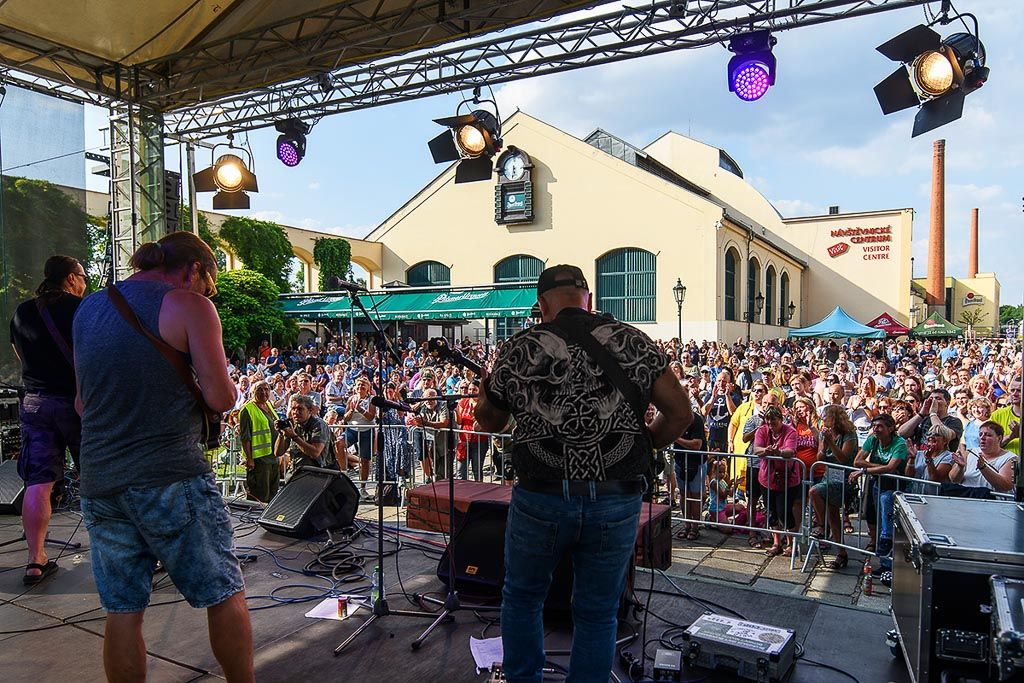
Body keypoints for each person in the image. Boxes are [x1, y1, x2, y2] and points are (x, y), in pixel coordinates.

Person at [475, 264, 691, 683]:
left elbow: (490, 421)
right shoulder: (633, 341)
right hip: (616, 496)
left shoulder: (521, 347)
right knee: (596, 613)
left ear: (542, 305)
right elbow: (681, 414)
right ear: (587, 299)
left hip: (541, 495)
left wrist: (487, 393)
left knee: (522, 599)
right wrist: (643, 443)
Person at [72, 232, 253, 682]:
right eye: (207, 285)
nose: (205, 293)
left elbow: (80, 403)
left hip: (100, 481)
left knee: (122, 609)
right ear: (194, 270)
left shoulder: (89, 308)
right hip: (171, 476)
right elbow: (220, 397)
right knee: (223, 591)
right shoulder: (188, 306)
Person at [9, 255, 87, 584]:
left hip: (36, 404)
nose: (84, 283)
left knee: (38, 483)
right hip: (77, 403)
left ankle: (35, 559)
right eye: (82, 276)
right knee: (97, 478)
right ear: (70, 278)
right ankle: (117, 553)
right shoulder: (82, 309)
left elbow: (19, 355)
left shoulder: (23, 312)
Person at [850, 413, 909, 582]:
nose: (876, 429)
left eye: (880, 426)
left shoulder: (900, 443)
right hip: (878, 484)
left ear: (890, 428)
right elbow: (857, 461)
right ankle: (885, 562)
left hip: (896, 488)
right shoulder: (873, 440)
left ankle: (888, 559)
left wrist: (866, 470)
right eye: (874, 426)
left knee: (888, 523)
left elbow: (892, 467)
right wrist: (880, 468)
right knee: (878, 517)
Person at [808, 405, 858, 569]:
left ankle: (822, 526)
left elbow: (843, 458)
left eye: (826, 416)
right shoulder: (825, 432)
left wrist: (831, 442)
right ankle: (841, 553)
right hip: (828, 476)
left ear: (835, 418)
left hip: (844, 478)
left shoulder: (849, 435)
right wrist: (824, 444)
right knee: (833, 515)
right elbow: (819, 457)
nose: (823, 419)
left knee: (814, 491)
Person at [239, 380, 280, 502]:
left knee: (273, 492)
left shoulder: (269, 406)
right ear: (252, 393)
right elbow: (245, 437)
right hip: (259, 459)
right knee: (260, 494)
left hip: (273, 455)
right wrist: (249, 458)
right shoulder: (247, 410)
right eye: (259, 390)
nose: (264, 392)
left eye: (266, 389)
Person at [950, 420, 1018, 493]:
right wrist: (960, 467)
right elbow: (954, 480)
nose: (982, 437)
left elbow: (1005, 486)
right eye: (980, 434)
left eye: (988, 435)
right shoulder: (969, 453)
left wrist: (983, 468)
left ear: (999, 438)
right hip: (967, 499)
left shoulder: (1009, 458)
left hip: (993, 502)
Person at [276, 394, 331, 473]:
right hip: (295, 471)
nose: (295, 412)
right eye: (293, 409)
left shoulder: (318, 424)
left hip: (316, 472)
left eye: (300, 409)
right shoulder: (292, 424)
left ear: (310, 410)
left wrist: (294, 437)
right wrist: (281, 434)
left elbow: (315, 453)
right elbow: (278, 453)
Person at [989, 377, 1021, 455]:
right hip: (1004, 465)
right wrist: (1011, 436)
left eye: (1019, 391)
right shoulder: (997, 415)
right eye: (1012, 390)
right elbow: (988, 446)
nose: (1014, 394)